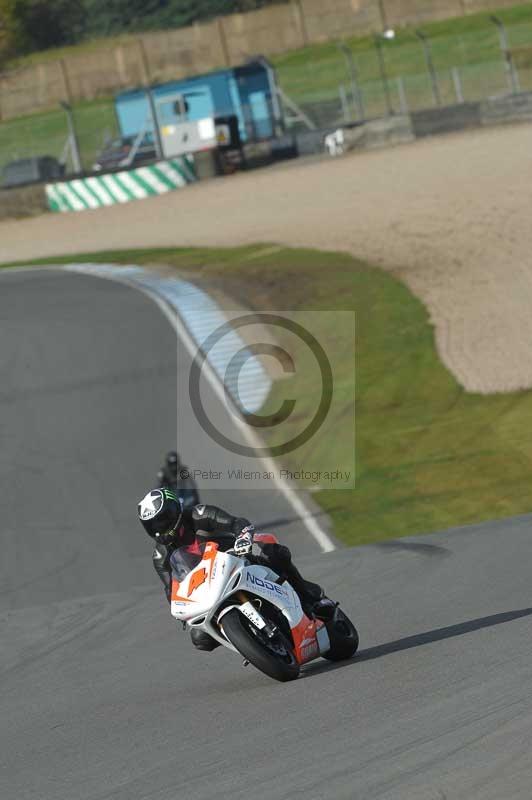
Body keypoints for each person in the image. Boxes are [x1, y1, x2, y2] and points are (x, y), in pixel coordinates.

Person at [137, 487, 334, 651]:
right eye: (152, 525)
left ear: (174, 511)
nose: (159, 528)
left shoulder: (199, 514)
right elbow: (171, 589)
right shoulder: (160, 556)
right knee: (200, 638)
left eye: (162, 520)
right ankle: (250, 643)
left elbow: (235, 522)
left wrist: (242, 536)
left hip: (237, 557)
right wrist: (181, 612)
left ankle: (311, 596)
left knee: (273, 552)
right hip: (208, 588)